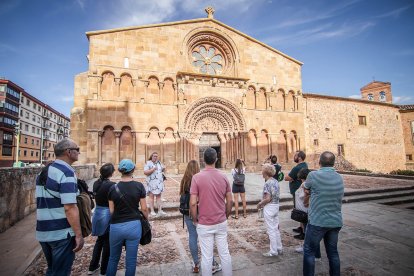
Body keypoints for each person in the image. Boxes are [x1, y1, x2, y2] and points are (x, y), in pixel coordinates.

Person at [35, 138, 83, 275]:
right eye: (77, 149)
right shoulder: (66, 172)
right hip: (61, 232)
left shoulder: (43, 171)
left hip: (43, 230)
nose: (79, 153)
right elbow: (69, 207)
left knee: (52, 270)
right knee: (61, 272)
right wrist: (78, 235)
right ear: (68, 152)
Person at [190, 148, 233, 276]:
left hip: (204, 223)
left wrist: (194, 219)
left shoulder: (196, 178)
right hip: (220, 221)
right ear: (216, 159)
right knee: (224, 253)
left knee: (206, 256)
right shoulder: (224, 176)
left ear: (203, 160)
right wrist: (226, 215)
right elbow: (230, 201)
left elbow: (193, 203)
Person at [303, 151, 344, 276]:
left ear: (319, 162)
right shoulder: (339, 177)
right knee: (333, 253)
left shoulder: (313, 175)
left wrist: (309, 193)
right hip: (335, 221)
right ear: (333, 163)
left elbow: (305, 187)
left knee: (309, 251)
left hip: (317, 221)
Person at [106, 159, 148, 276]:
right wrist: (146, 219)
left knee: (113, 258)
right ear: (133, 170)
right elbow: (144, 208)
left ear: (120, 171)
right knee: (131, 261)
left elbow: (111, 211)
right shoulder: (139, 186)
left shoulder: (112, 188)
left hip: (116, 226)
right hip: (134, 225)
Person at [179, 160, 222, 274]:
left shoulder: (184, 180)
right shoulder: (199, 178)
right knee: (206, 239)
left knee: (192, 237)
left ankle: (196, 264)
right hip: (200, 212)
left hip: (188, 213)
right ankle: (212, 264)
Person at [88, 163, 116, 276]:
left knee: (100, 240)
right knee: (107, 242)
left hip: (97, 213)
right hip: (106, 213)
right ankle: (104, 270)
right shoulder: (112, 185)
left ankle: (93, 266)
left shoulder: (96, 183)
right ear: (111, 173)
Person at [293, 168, 321, 262]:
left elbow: (306, 197)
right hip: (304, 212)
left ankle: (316, 255)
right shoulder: (305, 184)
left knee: (311, 234)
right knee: (307, 231)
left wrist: (305, 201)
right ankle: (306, 247)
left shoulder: (306, 185)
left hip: (306, 212)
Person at [257, 164, 283, 257]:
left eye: (262, 171)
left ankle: (273, 251)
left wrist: (260, 203)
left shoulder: (267, 183)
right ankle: (279, 247)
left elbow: (268, 198)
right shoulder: (275, 181)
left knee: (270, 230)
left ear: (265, 172)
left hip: (269, 207)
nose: (261, 172)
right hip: (276, 206)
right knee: (276, 228)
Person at [285, 150, 308, 234]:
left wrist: (290, 178)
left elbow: (287, 178)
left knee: (300, 209)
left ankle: (303, 231)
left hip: (297, 191)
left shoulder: (297, 168)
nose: (294, 157)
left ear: (299, 158)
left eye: (295, 156)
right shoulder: (305, 165)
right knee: (300, 208)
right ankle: (301, 227)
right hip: (300, 190)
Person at [144, 152, 166, 216]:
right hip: (151, 183)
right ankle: (152, 211)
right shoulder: (148, 163)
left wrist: (163, 169)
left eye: (156, 156)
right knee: (151, 197)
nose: (155, 157)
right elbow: (145, 172)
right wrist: (153, 169)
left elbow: (161, 170)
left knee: (159, 197)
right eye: (154, 156)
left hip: (159, 183)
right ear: (151, 156)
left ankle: (160, 210)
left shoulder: (159, 163)